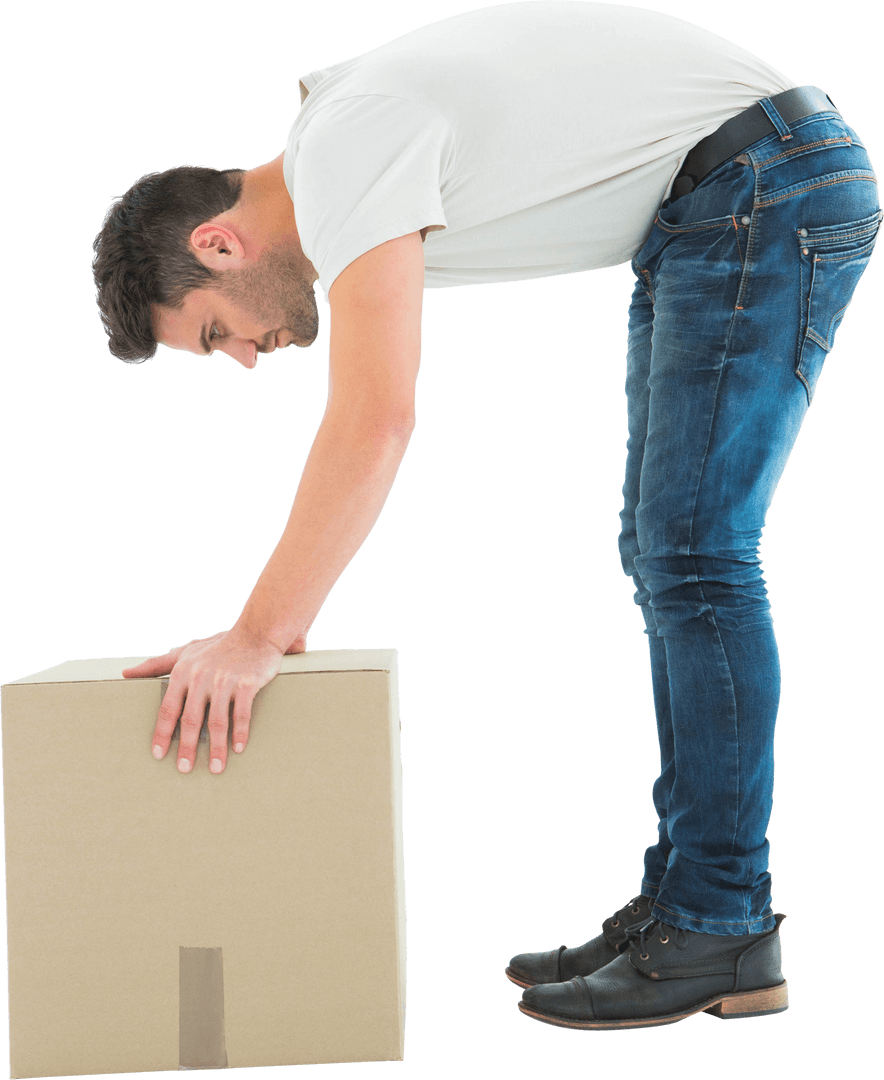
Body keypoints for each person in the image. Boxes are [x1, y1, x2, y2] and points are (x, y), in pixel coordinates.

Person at [91, 2, 881, 1032]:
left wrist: (253, 638)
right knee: (666, 551)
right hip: (717, 203)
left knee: (695, 555)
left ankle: (719, 923)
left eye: (213, 332)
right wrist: (269, 629)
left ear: (219, 242)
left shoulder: (341, 149)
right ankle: (686, 907)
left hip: (756, 184)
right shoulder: (345, 155)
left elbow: (375, 417)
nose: (245, 356)